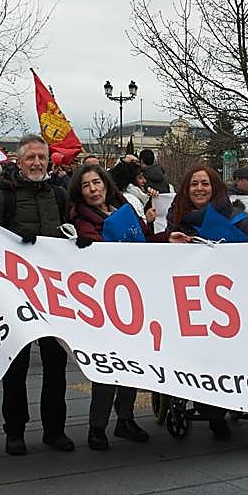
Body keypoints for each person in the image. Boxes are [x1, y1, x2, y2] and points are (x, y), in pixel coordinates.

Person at [0, 135, 75, 455]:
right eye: (30, 158)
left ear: (48, 161)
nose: (37, 163)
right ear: (19, 162)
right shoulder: (2, 198)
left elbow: (67, 231)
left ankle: (55, 429)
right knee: (16, 366)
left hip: (51, 293)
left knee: (55, 365)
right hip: (14, 293)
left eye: (41, 157)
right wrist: (11, 239)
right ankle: (15, 431)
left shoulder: (59, 195)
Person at [68, 164, 164, 449]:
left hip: (135, 298)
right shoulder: (82, 221)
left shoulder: (125, 209)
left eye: (96, 182)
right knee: (108, 366)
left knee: (133, 363)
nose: (93, 189)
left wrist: (166, 238)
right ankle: (97, 427)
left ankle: (125, 419)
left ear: (106, 184)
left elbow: (144, 242)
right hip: (106, 303)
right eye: (86, 185)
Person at [165, 164, 248, 439]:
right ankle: (210, 410)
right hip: (190, 303)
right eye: (194, 184)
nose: (199, 188)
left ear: (215, 187)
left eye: (205, 183)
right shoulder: (177, 219)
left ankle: (227, 406)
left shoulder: (234, 217)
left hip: (231, 301)